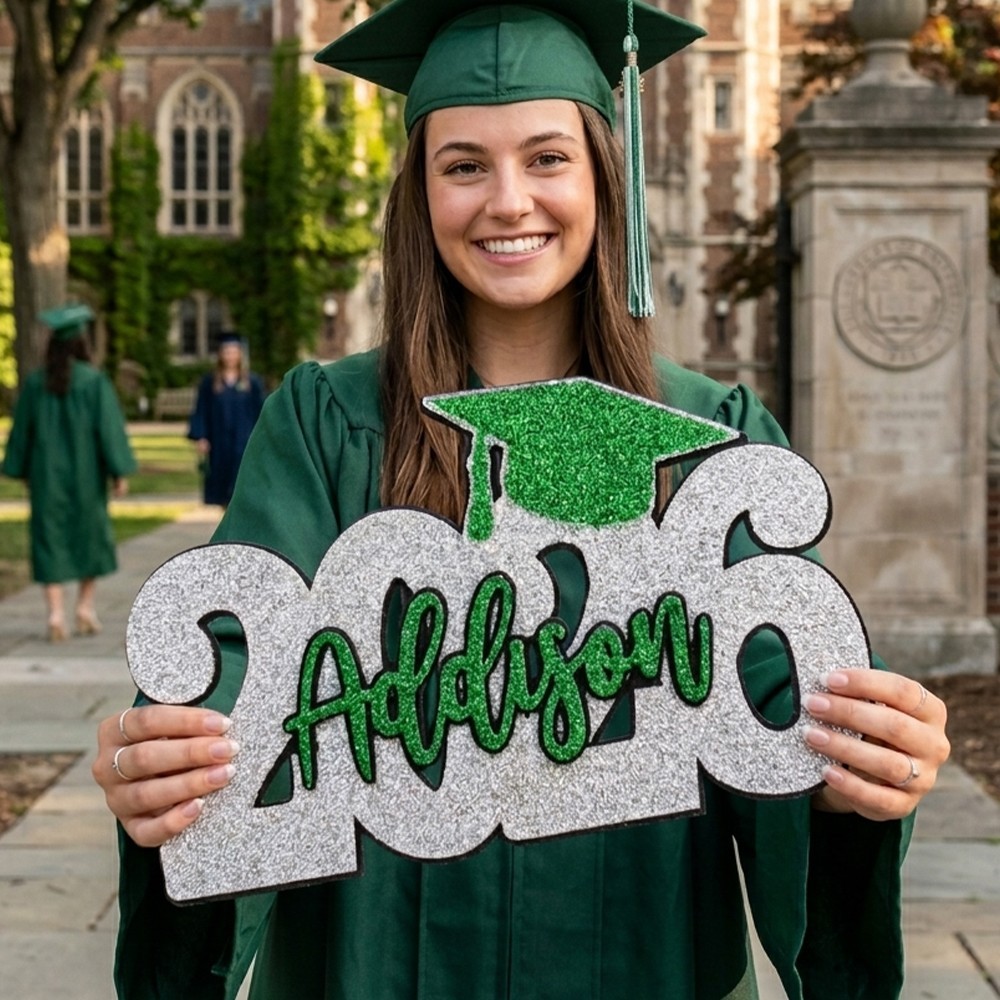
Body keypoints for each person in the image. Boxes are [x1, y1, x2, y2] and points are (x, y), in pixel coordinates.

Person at [93, 2, 951, 997]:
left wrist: (861, 766)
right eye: (464, 165)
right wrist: (172, 760)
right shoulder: (325, 427)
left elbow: (780, 693)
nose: (508, 201)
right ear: (418, 193)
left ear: (601, 178)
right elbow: (235, 677)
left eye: (547, 159)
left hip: (645, 960)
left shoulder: (708, 433)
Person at [2, 304, 136, 641]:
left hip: (46, 477)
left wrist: (18, 468)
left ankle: (56, 614)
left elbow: (21, 433)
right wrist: (119, 472)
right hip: (86, 475)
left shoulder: (35, 384)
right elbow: (109, 431)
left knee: (50, 539)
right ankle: (85, 608)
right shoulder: (94, 383)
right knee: (89, 537)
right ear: (82, 344)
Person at [187, 332, 265, 507]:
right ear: (220, 354)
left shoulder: (252, 383)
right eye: (226, 351)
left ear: (240, 354)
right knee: (221, 485)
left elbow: (260, 412)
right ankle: (225, 516)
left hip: (244, 441)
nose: (230, 356)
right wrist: (201, 436)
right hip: (218, 442)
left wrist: (260, 438)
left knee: (241, 483)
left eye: (234, 351)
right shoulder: (209, 383)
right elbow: (201, 410)